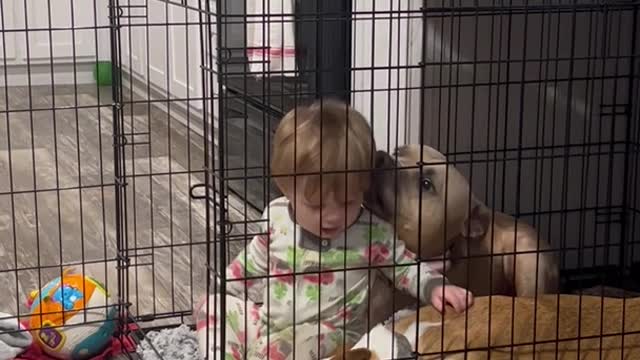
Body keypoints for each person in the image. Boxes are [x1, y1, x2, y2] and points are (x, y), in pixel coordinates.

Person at [203, 99, 474, 360]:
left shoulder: (372, 232)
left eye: (348, 202)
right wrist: (225, 292)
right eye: (317, 205)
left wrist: (435, 287)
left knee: (280, 350)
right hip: (270, 326)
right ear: (286, 188)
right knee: (211, 308)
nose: (333, 216)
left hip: (332, 337)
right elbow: (250, 263)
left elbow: (405, 267)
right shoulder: (275, 217)